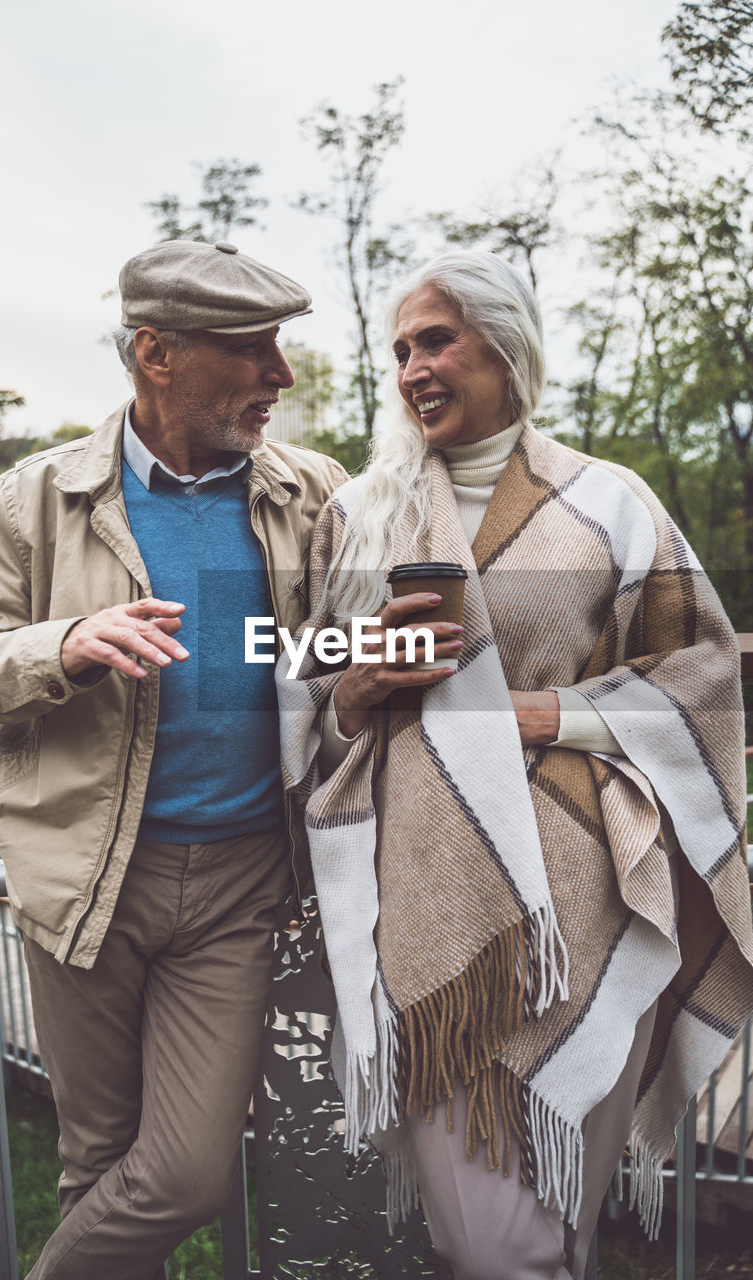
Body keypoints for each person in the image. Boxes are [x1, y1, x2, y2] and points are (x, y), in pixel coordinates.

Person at [278, 250, 753, 1280]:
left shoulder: (608, 504)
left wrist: (555, 711)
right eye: (400, 347)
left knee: (562, 1224)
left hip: (595, 896)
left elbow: (704, 671)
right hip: (434, 912)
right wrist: (355, 687)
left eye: (434, 338)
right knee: (489, 1240)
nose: (412, 366)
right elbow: (295, 690)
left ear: (504, 344)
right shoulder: (360, 514)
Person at [0, 239, 347, 1279]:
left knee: (190, 1172)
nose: (278, 378)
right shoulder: (36, 497)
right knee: (97, 1163)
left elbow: (331, 652)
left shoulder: (315, 491)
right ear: (156, 354)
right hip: (84, 879)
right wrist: (59, 645)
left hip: (243, 878)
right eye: (251, 351)